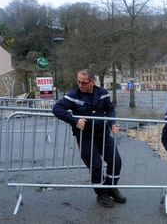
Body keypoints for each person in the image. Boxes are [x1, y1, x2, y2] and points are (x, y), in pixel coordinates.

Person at [52, 69, 126, 208]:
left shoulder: (103, 93)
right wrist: (74, 121)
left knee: (116, 161)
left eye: (84, 83)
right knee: (95, 165)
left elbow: (110, 110)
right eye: (78, 82)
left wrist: (112, 124)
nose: (80, 85)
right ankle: (101, 194)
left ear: (92, 81)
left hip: (102, 134)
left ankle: (111, 188)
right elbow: (57, 109)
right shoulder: (73, 95)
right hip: (85, 136)